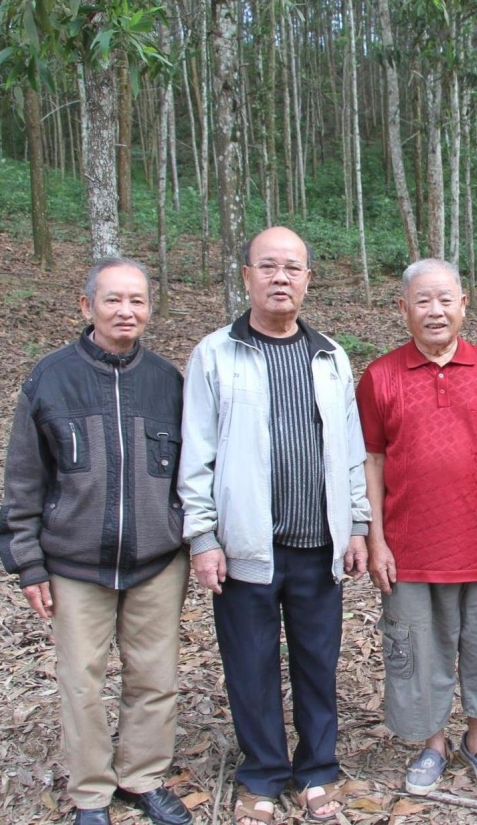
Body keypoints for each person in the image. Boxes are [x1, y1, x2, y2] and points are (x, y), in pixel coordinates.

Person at [178, 227, 371, 825]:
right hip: (245, 547)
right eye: (268, 266)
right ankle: (261, 775)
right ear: (247, 276)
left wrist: (358, 524)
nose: (280, 277)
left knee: (318, 663)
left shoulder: (330, 356)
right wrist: (203, 536)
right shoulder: (216, 353)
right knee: (251, 664)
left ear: (309, 279)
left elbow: (349, 452)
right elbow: (197, 453)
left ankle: (317, 770)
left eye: (293, 267)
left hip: (320, 547)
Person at [0, 259, 192, 825]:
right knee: (81, 680)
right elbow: (23, 477)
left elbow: (191, 471)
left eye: (137, 300)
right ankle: (90, 792)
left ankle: (143, 777)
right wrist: (27, 564)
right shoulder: (50, 378)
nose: (126, 311)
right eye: (113, 300)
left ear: (149, 308)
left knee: (154, 676)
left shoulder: (166, 381)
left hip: (156, 559)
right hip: (74, 562)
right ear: (87, 307)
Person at [357, 258, 477, 797]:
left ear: (464, 304)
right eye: (422, 301)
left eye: (445, 299)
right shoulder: (381, 375)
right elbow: (371, 459)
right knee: (418, 651)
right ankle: (432, 742)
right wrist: (376, 539)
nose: (434, 311)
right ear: (403, 309)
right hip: (409, 545)